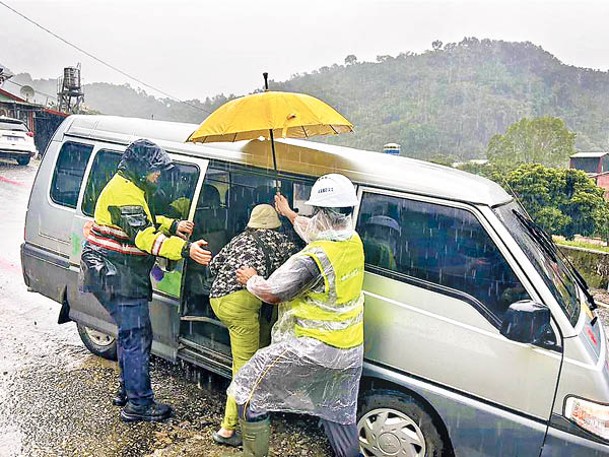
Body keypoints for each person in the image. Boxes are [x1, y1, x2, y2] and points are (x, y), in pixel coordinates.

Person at [229, 174, 365, 457]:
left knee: (246, 393)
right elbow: (317, 231)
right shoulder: (352, 241)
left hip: (312, 347)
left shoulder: (312, 259)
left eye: (315, 211)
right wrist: (289, 213)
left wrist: (251, 278)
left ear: (323, 214)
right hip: (349, 349)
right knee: (337, 413)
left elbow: (273, 293)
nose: (312, 217)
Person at [79, 139, 212, 423]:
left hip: (113, 271)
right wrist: (186, 249)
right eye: (155, 171)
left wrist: (173, 225)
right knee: (137, 336)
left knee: (130, 335)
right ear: (141, 168)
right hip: (116, 274)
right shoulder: (125, 193)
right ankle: (139, 404)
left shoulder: (129, 187)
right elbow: (144, 236)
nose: (158, 176)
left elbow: (144, 219)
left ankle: (127, 391)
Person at [209, 204, 297, 447]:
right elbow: (296, 270)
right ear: (275, 224)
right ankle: (227, 429)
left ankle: (255, 399)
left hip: (218, 299)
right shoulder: (282, 242)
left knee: (255, 347)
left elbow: (213, 266)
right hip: (242, 305)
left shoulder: (240, 238)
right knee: (244, 367)